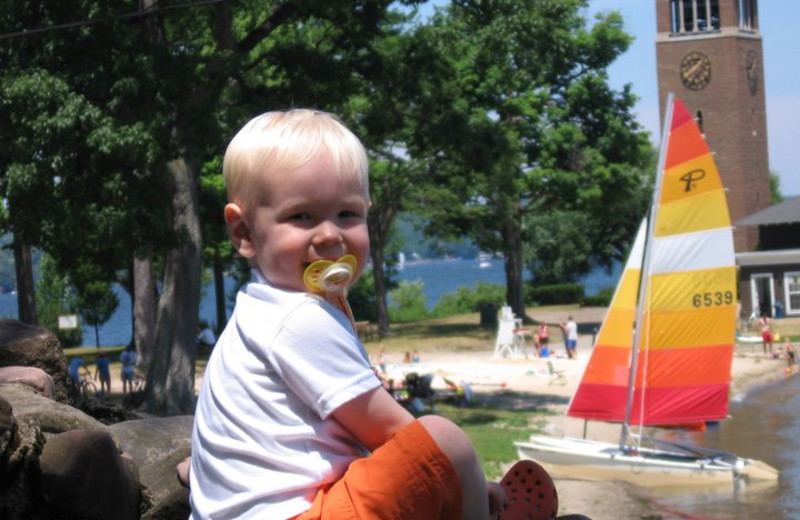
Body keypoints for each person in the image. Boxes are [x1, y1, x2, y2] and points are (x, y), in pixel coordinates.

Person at [187, 109, 509, 520]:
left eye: (348, 214)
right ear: (244, 232)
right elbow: (390, 431)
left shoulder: (259, 308)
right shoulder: (299, 317)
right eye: (301, 216)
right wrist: (471, 486)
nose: (330, 235)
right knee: (444, 440)